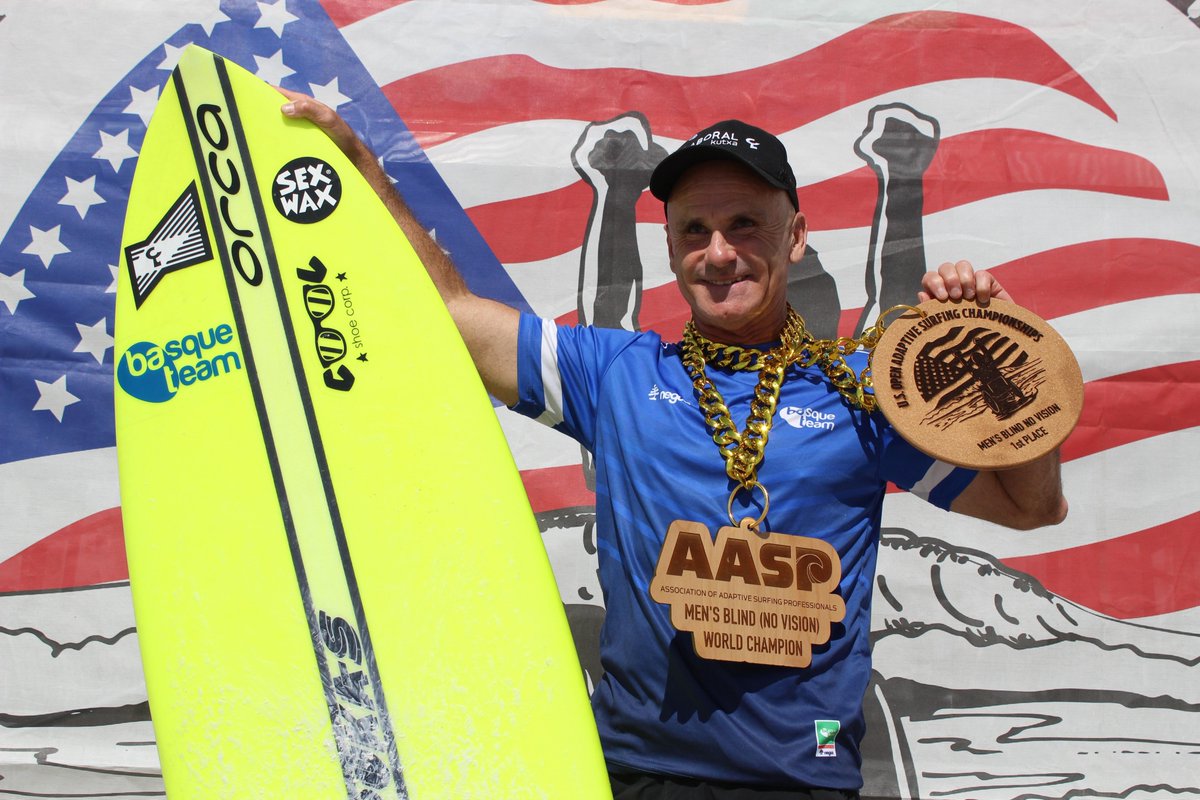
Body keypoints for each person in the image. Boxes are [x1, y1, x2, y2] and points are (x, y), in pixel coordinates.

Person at [280, 95, 1067, 799]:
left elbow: (1029, 508)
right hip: (640, 775)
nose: (718, 251)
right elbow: (448, 311)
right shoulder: (615, 376)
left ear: (795, 237)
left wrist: (1014, 359)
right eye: (695, 229)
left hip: (801, 779)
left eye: (745, 225)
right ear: (671, 248)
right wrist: (357, 162)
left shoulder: (863, 392)